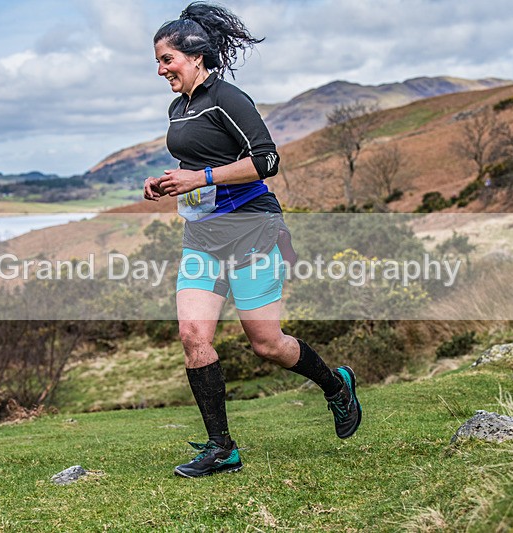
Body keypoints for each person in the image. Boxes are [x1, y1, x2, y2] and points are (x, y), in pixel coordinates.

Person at [144, 1, 361, 478]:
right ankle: (222, 449)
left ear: (195, 56)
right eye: (158, 61)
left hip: (252, 229)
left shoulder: (228, 97)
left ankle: (336, 385)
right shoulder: (179, 107)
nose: (161, 70)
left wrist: (201, 177)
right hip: (203, 236)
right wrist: (169, 181)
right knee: (192, 335)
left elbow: (266, 161)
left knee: (266, 343)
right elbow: (198, 165)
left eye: (167, 59)